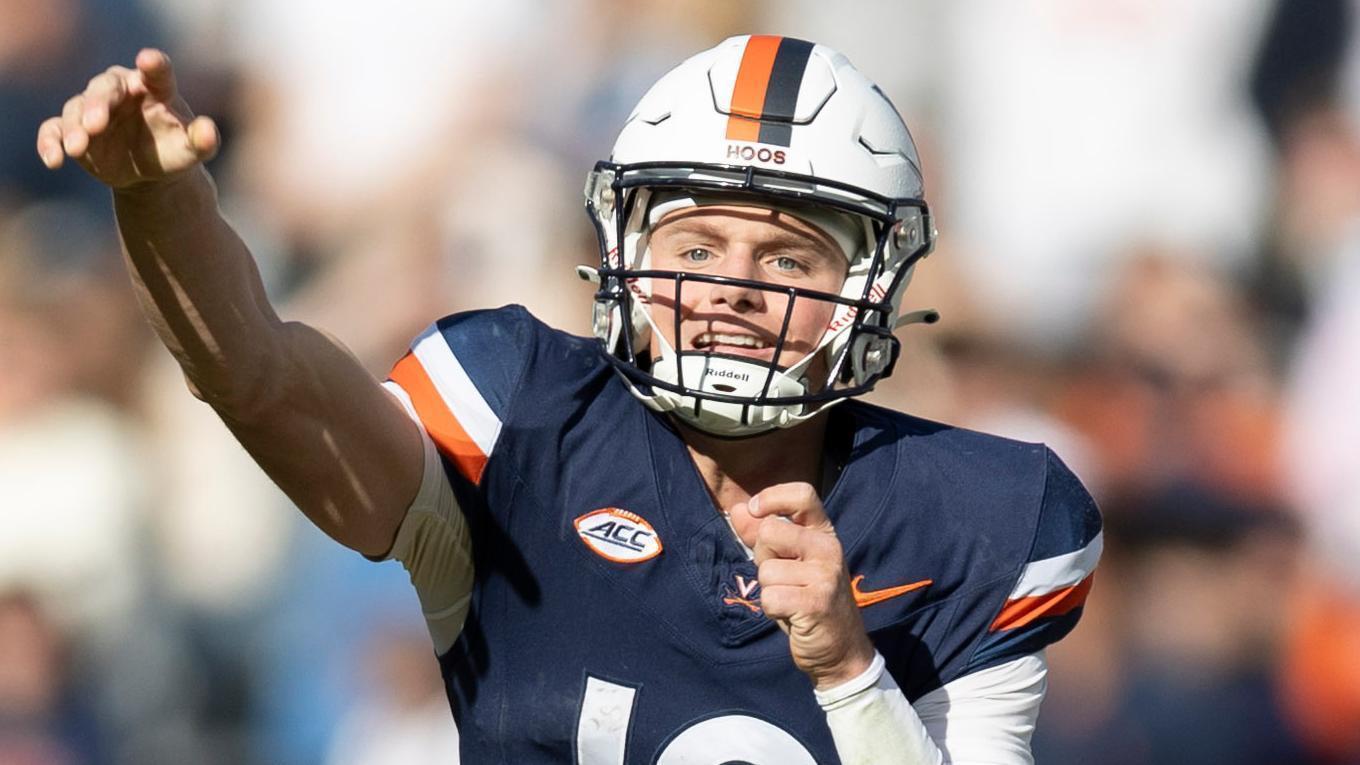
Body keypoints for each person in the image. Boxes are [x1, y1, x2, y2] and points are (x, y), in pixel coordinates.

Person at [37, 35, 1102, 764]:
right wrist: (161, 204)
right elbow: (260, 380)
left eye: (784, 260)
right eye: (696, 243)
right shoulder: (519, 424)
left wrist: (849, 671)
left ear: (868, 288)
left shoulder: (978, 518)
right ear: (628, 250)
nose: (730, 287)